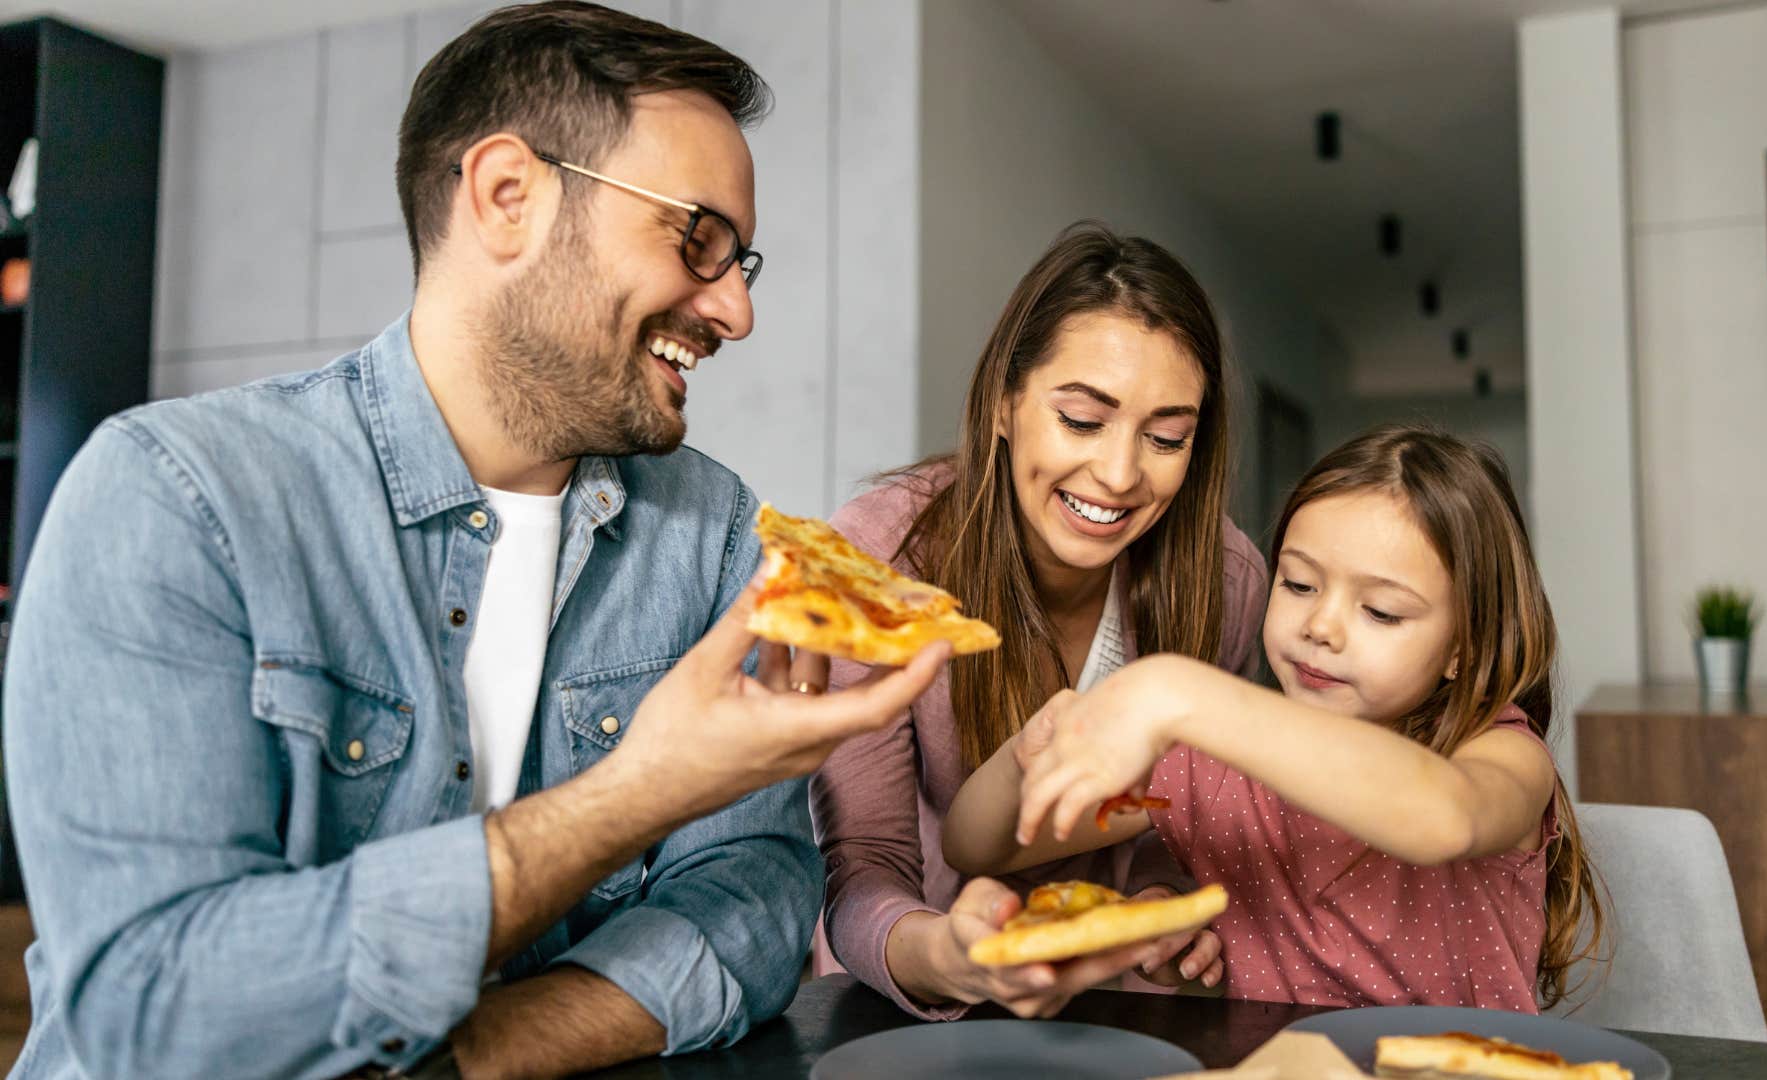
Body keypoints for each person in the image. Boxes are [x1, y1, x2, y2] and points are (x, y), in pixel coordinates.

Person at [0, 4, 944, 1077]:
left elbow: (757, 900)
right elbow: (158, 1007)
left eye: (742, 262)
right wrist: (639, 792)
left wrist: (480, 1052)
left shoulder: (714, 529)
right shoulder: (177, 497)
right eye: (698, 241)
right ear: (508, 197)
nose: (734, 308)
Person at [945, 425, 1606, 1011]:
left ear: (1463, 647)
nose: (1320, 626)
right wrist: (1032, 754)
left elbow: (1445, 817)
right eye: (1298, 584)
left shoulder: (1502, 754)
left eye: (1380, 612)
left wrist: (1174, 690)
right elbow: (977, 845)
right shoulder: (1211, 766)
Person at [810, 222, 1270, 1020]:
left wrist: (1169, 905)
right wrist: (950, 957)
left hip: (1117, 1012)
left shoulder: (1227, 585)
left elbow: (1180, 819)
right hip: (903, 1012)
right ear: (1003, 403)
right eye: (1083, 422)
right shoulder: (876, 561)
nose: (1120, 474)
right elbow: (863, 865)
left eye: (1166, 437)